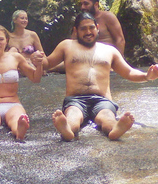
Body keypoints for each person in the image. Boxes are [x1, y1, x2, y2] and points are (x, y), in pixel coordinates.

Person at [43, 12, 158, 141]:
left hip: (102, 99)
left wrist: (147, 76)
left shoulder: (109, 50)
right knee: (73, 116)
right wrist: (38, 58)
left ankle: (115, 129)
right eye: (83, 28)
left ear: (97, 28)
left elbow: (129, 72)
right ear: (75, 30)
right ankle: (67, 130)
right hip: (76, 99)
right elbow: (47, 63)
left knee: (107, 117)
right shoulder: (67, 45)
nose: (88, 31)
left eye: (91, 27)